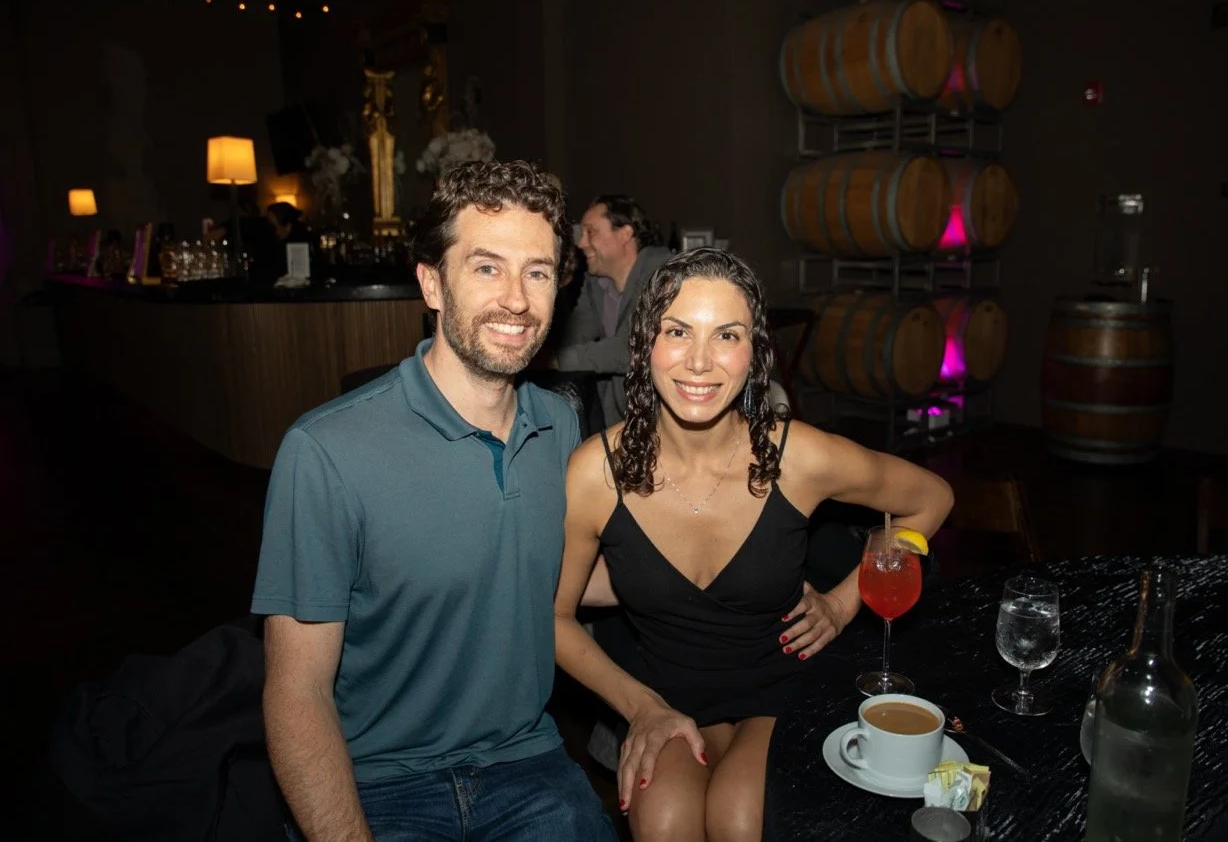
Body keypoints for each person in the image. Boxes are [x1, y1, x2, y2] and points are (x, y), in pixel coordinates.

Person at [251, 160, 617, 841]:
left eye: (537, 271)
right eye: (486, 267)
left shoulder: (559, 426)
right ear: (431, 283)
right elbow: (296, 693)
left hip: (526, 763)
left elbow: (558, 573)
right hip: (378, 781)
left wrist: (732, 562)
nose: (516, 298)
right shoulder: (326, 453)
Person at [553, 248, 954, 841]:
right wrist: (640, 707)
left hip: (779, 691)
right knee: (664, 824)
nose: (698, 362)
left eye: (727, 335)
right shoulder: (595, 473)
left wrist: (844, 605)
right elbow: (553, 617)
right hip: (665, 696)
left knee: (740, 820)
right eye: (677, 331)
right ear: (645, 344)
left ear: (754, 354)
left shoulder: (798, 457)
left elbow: (932, 499)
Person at [551, 195, 672, 425]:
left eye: (591, 232)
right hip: (618, 423)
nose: (581, 243)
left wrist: (554, 361)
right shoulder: (596, 283)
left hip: (662, 423)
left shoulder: (663, 274)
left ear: (625, 234)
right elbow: (574, 336)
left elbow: (633, 350)